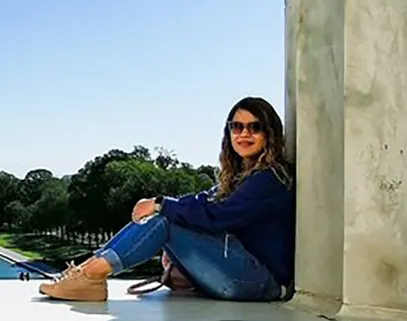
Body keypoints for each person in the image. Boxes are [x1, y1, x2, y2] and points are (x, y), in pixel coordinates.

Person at [39, 96, 295, 302]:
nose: (244, 134)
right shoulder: (241, 176)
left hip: (262, 282)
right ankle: (85, 272)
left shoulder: (270, 178)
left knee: (166, 217)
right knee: (168, 214)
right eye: (236, 127)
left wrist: (161, 205)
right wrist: (172, 228)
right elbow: (202, 201)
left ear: (269, 134)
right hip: (245, 277)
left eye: (255, 127)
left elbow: (218, 217)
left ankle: (91, 276)